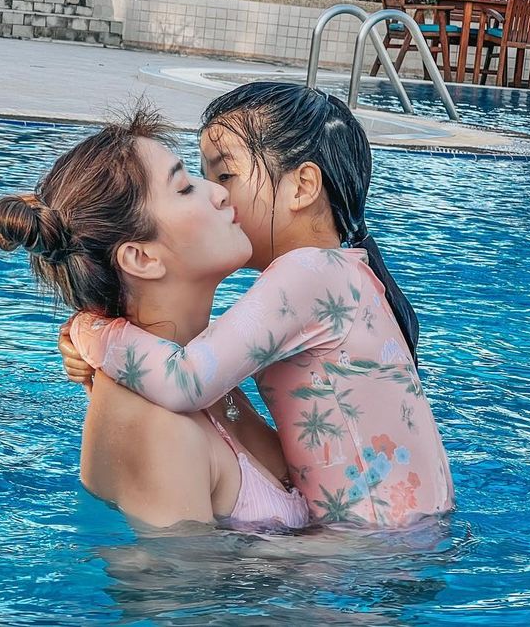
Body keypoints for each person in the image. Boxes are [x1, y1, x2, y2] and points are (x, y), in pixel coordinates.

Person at [64, 82, 453, 529]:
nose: (217, 195)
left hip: (371, 543)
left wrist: (92, 331)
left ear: (302, 187)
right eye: (195, 182)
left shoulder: (307, 274)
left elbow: (188, 379)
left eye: (224, 176)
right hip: (408, 532)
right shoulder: (339, 273)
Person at [0, 107, 309, 531]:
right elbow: (171, 576)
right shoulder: (158, 426)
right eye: (184, 187)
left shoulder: (198, 375)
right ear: (141, 258)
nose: (219, 193)